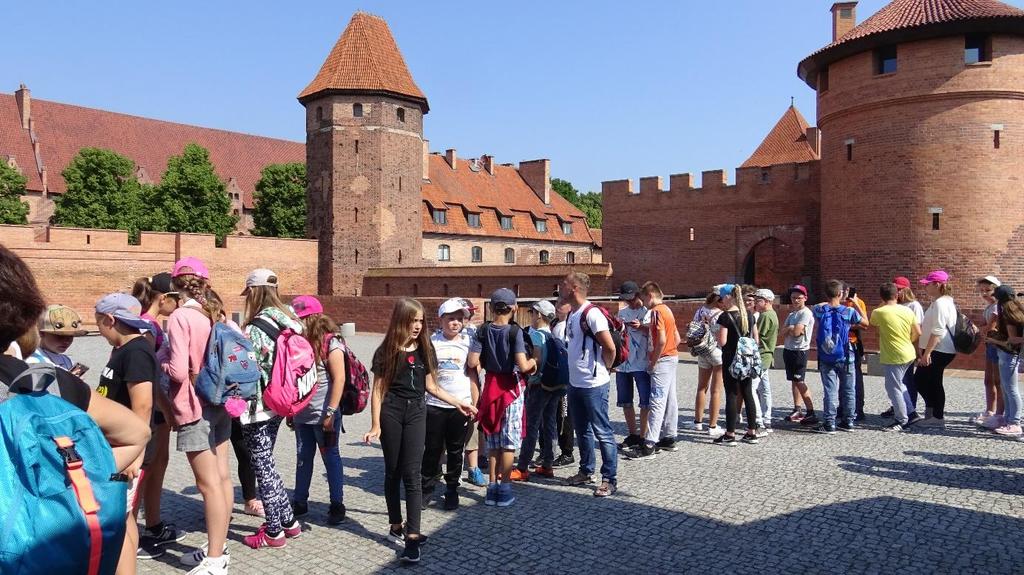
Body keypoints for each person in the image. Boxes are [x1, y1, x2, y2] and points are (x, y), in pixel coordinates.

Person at [0, 245, 151, 575]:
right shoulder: (47, 380)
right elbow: (136, 433)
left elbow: (144, 409)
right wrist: (70, 481)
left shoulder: (130, 354)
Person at [364, 298, 475, 563]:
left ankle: (412, 537)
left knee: (412, 473)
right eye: (412, 320)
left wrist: (459, 402)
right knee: (393, 472)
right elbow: (378, 390)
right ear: (401, 320)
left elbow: (432, 387)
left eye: (420, 321)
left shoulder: (425, 348)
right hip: (391, 411)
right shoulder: (386, 350)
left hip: (417, 411)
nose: (417, 326)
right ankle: (395, 524)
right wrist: (375, 425)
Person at [163, 257, 235, 574]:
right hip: (220, 404)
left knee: (207, 485)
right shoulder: (214, 314)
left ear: (176, 286)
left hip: (194, 407)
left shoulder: (180, 317)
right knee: (221, 478)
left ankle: (216, 559)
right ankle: (217, 544)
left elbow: (178, 371)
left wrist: (158, 361)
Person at [238, 268, 304, 550]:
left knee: (263, 467)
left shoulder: (254, 328)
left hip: (259, 407)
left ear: (254, 292)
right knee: (268, 463)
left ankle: (274, 532)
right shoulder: (292, 319)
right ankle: (289, 521)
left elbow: (249, 371)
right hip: (281, 402)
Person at [94, 293, 159, 575]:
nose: (98, 329)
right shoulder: (126, 349)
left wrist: (136, 454)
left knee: (117, 520)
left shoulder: (135, 352)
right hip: (121, 446)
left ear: (110, 320)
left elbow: (142, 404)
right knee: (126, 517)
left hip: (128, 450)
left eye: (99, 323)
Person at [132, 273, 188, 560]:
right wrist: (167, 409)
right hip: (153, 407)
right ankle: (131, 534)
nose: (179, 304)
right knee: (143, 470)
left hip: (159, 407)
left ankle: (153, 524)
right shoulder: (147, 328)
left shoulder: (149, 325)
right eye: (176, 299)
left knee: (158, 465)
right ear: (162, 298)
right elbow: (146, 377)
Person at [468, 288, 536, 506]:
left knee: (493, 440)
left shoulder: (483, 329)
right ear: (514, 308)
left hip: (491, 385)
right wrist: (535, 361)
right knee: (508, 444)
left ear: (491, 307)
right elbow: (523, 365)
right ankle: (505, 489)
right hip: (510, 390)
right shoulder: (514, 332)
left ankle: (491, 488)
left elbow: (472, 362)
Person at [559, 272, 619, 496]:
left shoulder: (591, 314)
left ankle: (609, 479)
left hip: (594, 383)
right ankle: (586, 471)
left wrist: (606, 369)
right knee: (582, 430)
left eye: (563, 284)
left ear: (573, 288)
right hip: (575, 383)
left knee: (602, 432)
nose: (560, 287)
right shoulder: (573, 314)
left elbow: (609, 347)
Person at [291, 296, 347, 525]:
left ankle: (337, 504)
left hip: (325, 414)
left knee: (330, 458)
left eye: (300, 319)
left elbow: (340, 379)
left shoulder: (331, 343)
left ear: (312, 319)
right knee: (303, 458)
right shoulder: (297, 344)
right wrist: (291, 411)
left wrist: (331, 413)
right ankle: (300, 501)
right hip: (302, 415)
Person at [423, 298, 478, 510]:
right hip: (436, 404)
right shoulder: (432, 342)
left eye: (459, 319)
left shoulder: (468, 342)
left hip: (462, 405)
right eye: (450, 318)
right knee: (433, 450)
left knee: (456, 452)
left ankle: (452, 490)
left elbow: (473, 374)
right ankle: (426, 489)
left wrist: (475, 402)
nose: (455, 323)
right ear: (441, 319)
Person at [624, 281, 679, 458]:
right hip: (672, 357)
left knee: (657, 401)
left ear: (650, 296)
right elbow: (676, 338)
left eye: (644, 299)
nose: (644, 304)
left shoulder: (656, 312)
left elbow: (661, 340)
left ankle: (649, 444)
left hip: (662, 360)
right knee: (670, 398)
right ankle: (669, 436)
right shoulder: (668, 310)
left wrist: (653, 361)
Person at [809, 280, 868, 434]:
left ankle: (829, 423)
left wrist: (830, 299)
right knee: (849, 389)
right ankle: (848, 421)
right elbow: (866, 324)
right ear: (841, 293)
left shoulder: (819, 310)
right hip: (847, 355)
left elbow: (819, 305)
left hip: (827, 355)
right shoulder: (848, 312)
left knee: (830, 390)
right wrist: (855, 304)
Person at [512, 300, 561, 481]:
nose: (531, 315)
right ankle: (547, 464)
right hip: (553, 385)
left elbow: (537, 359)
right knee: (549, 424)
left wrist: (529, 372)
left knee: (531, 425)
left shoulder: (537, 336)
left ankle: (523, 467)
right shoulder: (552, 335)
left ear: (539, 315)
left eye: (532, 312)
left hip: (538, 384)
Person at [869, 283, 922, 432]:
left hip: (893, 356)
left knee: (893, 388)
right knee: (901, 385)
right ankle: (911, 413)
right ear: (897, 295)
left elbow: (873, 323)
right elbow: (918, 331)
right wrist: (908, 341)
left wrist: (883, 302)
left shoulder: (878, 312)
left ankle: (901, 420)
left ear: (881, 296)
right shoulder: (907, 310)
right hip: (908, 352)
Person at [713, 284, 759, 445]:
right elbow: (756, 339)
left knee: (732, 394)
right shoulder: (749, 314)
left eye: (722, 298)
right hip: (746, 360)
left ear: (728, 297)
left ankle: (730, 434)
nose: (721, 301)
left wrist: (715, 335)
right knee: (748, 393)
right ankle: (752, 432)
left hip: (731, 360)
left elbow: (723, 341)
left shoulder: (725, 317)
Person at [915, 270, 958, 428]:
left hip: (939, 349)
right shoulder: (941, 301)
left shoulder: (941, 303)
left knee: (925, 381)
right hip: (937, 349)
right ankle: (933, 413)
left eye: (928, 284)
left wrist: (927, 353)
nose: (925, 287)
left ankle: (937, 417)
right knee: (929, 381)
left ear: (937, 285)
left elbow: (938, 331)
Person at [613, 281, 651, 450]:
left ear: (638, 295)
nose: (629, 302)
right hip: (624, 364)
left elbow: (656, 333)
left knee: (645, 402)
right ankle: (633, 434)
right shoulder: (622, 313)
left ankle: (643, 436)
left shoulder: (647, 312)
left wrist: (642, 327)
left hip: (642, 362)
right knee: (625, 401)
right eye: (626, 299)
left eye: (631, 298)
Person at [987, 285, 1023, 436]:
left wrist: (994, 340)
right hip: (1007, 354)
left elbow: (1013, 340)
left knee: (1011, 389)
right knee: (1007, 388)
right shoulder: (1015, 309)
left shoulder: (1008, 313)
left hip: (1008, 354)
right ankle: (1008, 420)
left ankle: (1014, 423)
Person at [781, 285, 817, 425]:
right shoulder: (792, 314)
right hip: (789, 349)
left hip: (799, 351)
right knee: (794, 381)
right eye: (793, 298)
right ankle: (797, 408)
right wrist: (791, 328)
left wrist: (791, 329)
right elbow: (782, 332)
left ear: (805, 298)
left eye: (799, 298)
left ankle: (811, 411)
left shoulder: (805, 313)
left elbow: (796, 333)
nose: (795, 300)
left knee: (800, 380)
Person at [691, 291, 725, 437]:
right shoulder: (721, 314)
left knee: (701, 387)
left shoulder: (699, 311)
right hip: (716, 350)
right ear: (719, 300)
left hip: (702, 349)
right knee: (716, 390)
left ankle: (698, 422)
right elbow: (721, 335)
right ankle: (712, 425)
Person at [975, 276, 1004, 428]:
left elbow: (990, 328)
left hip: (997, 346)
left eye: (988, 290)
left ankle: (999, 414)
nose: (985, 294)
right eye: (982, 291)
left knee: (998, 381)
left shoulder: (997, 307)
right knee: (988, 380)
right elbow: (984, 325)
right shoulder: (989, 307)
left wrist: (976, 330)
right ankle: (990, 410)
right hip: (989, 345)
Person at [893, 276, 924, 415]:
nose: (896, 292)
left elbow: (917, 329)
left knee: (907, 379)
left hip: (908, 346)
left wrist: (916, 349)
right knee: (896, 380)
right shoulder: (895, 305)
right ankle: (897, 405)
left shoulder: (914, 305)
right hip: (896, 347)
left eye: (898, 289)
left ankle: (910, 406)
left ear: (905, 290)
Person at [26, 304, 89, 371]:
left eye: (70, 336)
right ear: (41, 333)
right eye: (60, 336)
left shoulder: (67, 360)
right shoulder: (33, 361)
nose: (66, 341)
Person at [551, 300, 576, 468]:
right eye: (558, 302)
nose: (559, 305)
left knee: (564, 415)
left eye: (563, 302)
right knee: (557, 415)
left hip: (565, 377)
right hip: (557, 375)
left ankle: (567, 452)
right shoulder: (556, 324)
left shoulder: (568, 325)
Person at [753, 289, 778, 433]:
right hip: (767, 355)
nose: (756, 303)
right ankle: (766, 418)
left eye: (759, 300)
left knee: (752, 388)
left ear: (767, 301)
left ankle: (758, 420)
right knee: (764, 388)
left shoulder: (765, 316)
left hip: (762, 355)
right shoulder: (772, 314)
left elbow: (757, 337)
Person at [844, 286, 868, 421]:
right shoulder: (838, 303)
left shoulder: (858, 303)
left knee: (856, 377)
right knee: (842, 377)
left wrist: (847, 324)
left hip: (854, 343)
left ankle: (858, 408)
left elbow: (864, 324)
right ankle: (844, 406)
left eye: (848, 292)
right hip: (841, 344)